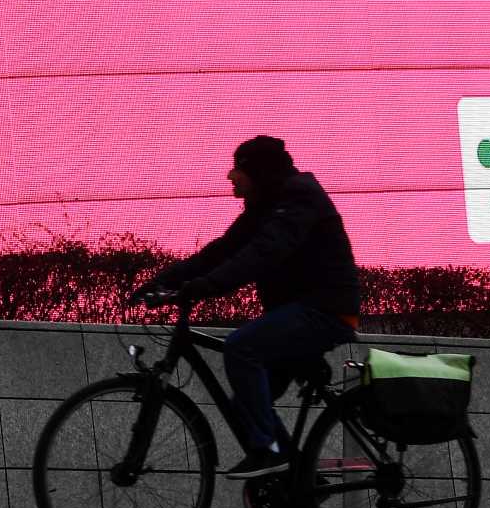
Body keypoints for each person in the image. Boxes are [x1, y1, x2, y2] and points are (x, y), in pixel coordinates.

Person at [138, 135, 361, 479]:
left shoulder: (298, 198)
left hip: (324, 311)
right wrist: (163, 281)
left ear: (259, 172)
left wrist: (205, 287)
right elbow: (222, 251)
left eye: (238, 168)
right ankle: (297, 476)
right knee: (244, 400)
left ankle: (268, 452)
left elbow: (263, 253)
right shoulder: (267, 204)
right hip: (297, 313)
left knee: (241, 347)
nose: (230, 176)